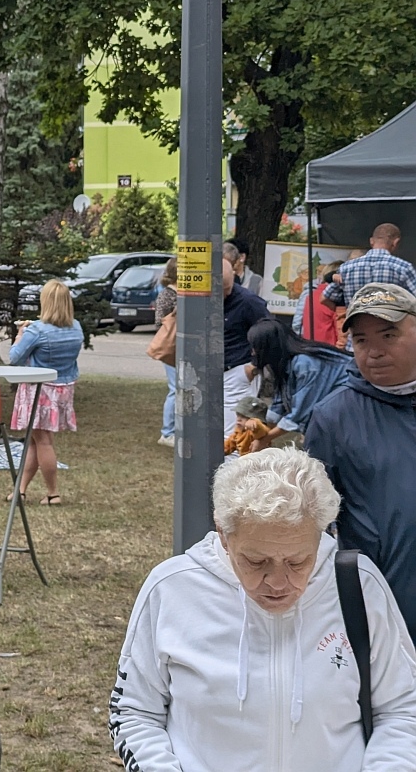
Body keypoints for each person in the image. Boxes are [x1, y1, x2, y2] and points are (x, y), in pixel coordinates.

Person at [110, 450, 416, 771]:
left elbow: (402, 708)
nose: (278, 582)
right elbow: (134, 712)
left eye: (298, 561)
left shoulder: (357, 585)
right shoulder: (172, 588)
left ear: (322, 535)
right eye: (256, 561)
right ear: (224, 535)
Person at [306, 282, 416, 643]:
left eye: (389, 335)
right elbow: (313, 524)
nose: (375, 351)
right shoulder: (333, 419)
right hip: (387, 612)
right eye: (361, 340)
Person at [7, 279, 84, 505]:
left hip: (39, 389)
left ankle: (53, 493)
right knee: (34, 441)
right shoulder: (76, 327)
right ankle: (20, 490)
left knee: (43, 442)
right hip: (63, 388)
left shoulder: (37, 330)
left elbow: (14, 358)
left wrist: (20, 335)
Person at [246, 316, 352, 448]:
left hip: (349, 412)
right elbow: (279, 404)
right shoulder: (284, 363)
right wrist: (260, 431)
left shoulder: (306, 364)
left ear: (269, 347)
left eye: (256, 347)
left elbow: (300, 413)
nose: (253, 353)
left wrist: (264, 439)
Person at [221, 257, 271, 437]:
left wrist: (254, 366)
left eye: (228, 288)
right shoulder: (200, 301)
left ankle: (234, 455)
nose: (226, 294)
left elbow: (269, 333)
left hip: (237, 370)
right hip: (211, 370)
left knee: (234, 430)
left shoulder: (248, 301)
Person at [323, 222, 416, 309]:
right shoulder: (403, 268)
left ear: (371, 241)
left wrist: (348, 313)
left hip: (357, 320)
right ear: (396, 242)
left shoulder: (346, 268)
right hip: (391, 320)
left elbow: (324, 298)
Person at [153, 258, 177, 448]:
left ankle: (177, 428)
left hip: (183, 346)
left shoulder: (183, 293)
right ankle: (167, 432)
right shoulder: (167, 294)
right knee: (175, 389)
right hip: (172, 347)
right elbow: (159, 321)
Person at [291, 261, 342, 344]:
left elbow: (298, 323)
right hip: (330, 347)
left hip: (310, 345)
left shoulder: (310, 296)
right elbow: (340, 331)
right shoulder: (334, 297)